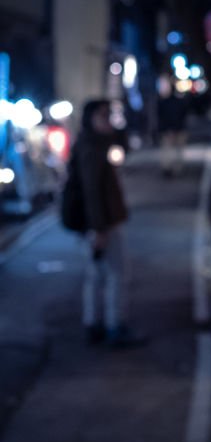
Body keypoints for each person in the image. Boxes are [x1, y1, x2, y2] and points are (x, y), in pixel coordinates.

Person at [72, 99, 145, 348]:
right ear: (90, 119)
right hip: (103, 223)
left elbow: (125, 146)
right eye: (103, 116)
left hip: (99, 223)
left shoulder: (97, 143)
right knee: (116, 274)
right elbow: (92, 191)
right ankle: (115, 326)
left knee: (97, 274)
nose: (108, 120)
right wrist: (99, 228)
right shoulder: (92, 148)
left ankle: (94, 324)